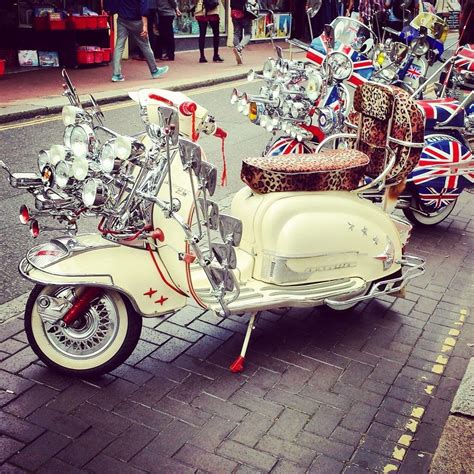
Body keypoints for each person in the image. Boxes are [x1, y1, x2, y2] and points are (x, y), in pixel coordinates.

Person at [105, 0, 168, 82]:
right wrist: (145, 26)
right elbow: (144, 8)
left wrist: (109, 10)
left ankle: (116, 74)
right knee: (145, 45)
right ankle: (154, 70)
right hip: (136, 21)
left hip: (122, 19)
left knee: (119, 46)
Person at [230, 0, 252, 65]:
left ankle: (238, 52)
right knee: (248, 34)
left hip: (234, 13)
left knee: (236, 33)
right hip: (244, 13)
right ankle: (239, 48)